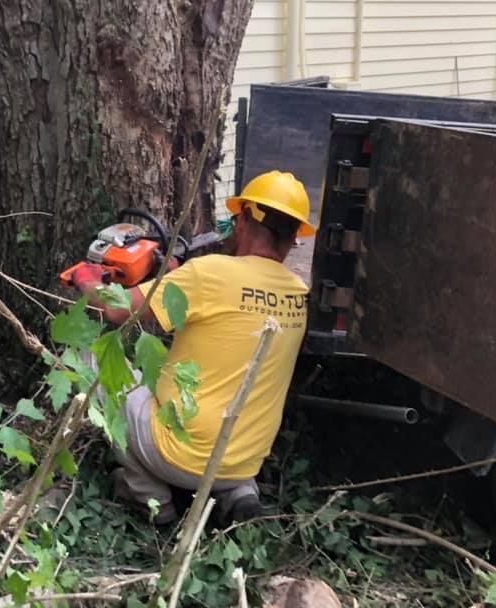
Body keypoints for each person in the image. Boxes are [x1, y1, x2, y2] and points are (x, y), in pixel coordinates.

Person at [69, 171, 315, 525]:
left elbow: (116, 309)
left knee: (91, 357)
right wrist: (172, 275)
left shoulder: (208, 274)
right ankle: (239, 493)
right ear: (294, 237)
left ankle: (151, 497)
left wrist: (86, 279)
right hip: (243, 461)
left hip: (180, 457)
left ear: (244, 219)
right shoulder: (298, 294)